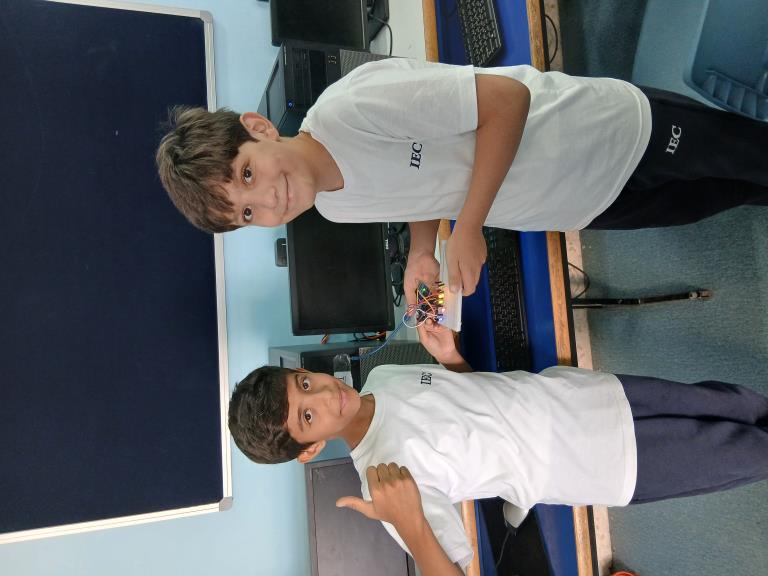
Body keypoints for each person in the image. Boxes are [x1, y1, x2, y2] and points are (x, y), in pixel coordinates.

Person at [156, 58, 768, 304]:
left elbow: (506, 100)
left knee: (754, 157)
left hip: (606, 133)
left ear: (259, 128)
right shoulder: (333, 208)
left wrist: (469, 227)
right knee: (735, 193)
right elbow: (421, 186)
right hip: (584, 202)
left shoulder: (349, 110)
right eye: (247, 213)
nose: (267, 199)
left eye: (247, 174)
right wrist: (422, 250)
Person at [227, 320, 768, 576]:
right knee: (747, 450)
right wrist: (411, 525)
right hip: (602, 459)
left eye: (304, 383)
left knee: (736, 403)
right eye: (307, 417)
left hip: (592, 395)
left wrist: (451, 358)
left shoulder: (382, 376)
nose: (324, 395)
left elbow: (472, 399)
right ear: (308, 449)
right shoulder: (385, 482)